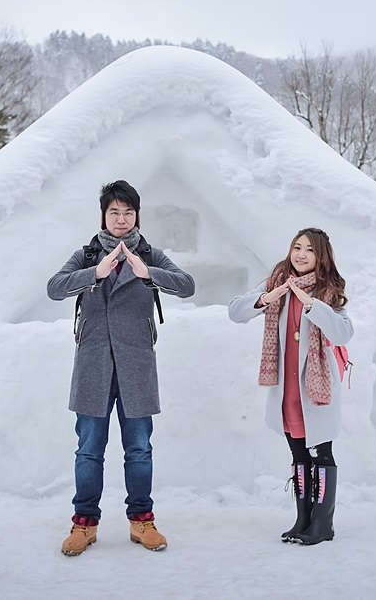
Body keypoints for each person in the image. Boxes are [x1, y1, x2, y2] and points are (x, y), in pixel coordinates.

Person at [47, 180, 195, 556]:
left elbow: (187, 285)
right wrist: (95, 273)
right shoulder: (86, 254)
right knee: (88, 451)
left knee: (140, 449)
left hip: (136, 367)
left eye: (128, 212)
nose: (121, 218)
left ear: (136, 216)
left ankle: (141, 521)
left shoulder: (150, 254)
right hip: (93, 365)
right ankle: (84, 525)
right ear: (104, 215)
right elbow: (54, 287)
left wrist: (148, 272)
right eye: (114, 212)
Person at [227, 228, 352, 545]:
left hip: (316, 389)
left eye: (309, 250)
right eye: (297, 247)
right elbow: (235, 312)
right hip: (287, 389)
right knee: (298, 454)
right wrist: (267, 298)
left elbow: (343, 333)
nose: (301, 254)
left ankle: (323, 525)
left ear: (321, 256)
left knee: (321, 452)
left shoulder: (329, 289)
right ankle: (303, 520)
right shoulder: (278, 280)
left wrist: (312, 305)